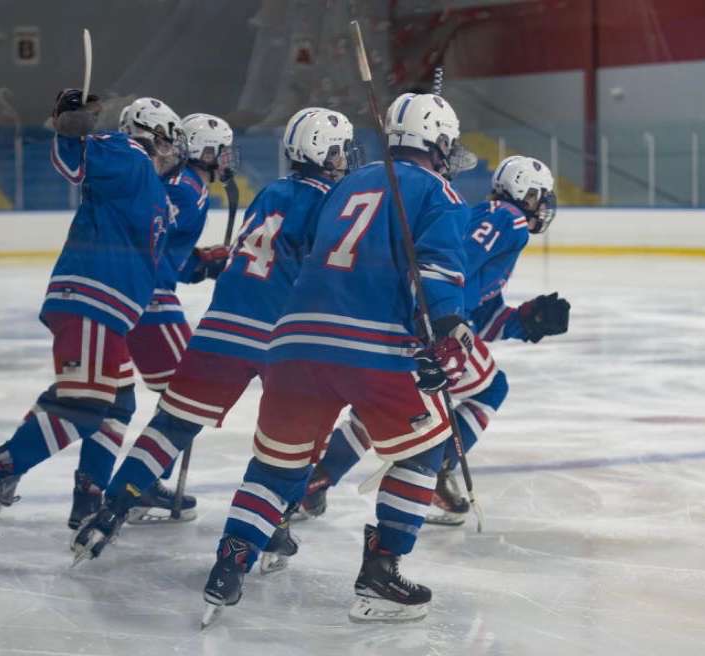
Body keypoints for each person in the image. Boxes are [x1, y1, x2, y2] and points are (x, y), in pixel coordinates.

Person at [201, 93, 474, 625]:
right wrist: (447, 331)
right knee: (425, 449)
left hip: (294, 343)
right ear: (438, 142)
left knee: (275, 467)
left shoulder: (345, 183)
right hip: (371, 345)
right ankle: (380, 575)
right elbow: (438, 275)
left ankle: (227, 568)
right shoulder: (437, 191)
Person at [71, 107, 357, 564]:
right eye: (341, 149)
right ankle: (275, 521)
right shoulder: (333, 200)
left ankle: (112, 510)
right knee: (295, 437)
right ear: (326, 152)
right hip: (280, 336)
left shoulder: (272, 191)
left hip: (220, 324)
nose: (346, 158)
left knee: (171, 425)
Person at [0, 90, 184, 547]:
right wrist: (71, 121)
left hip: (107, 307)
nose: (173, 153)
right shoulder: (128, 153)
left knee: (112, 404)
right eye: (169, 142)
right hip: (94, 297)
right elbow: (75, 157)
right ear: (152, 138)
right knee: (85, 406)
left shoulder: (149, 187)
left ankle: (81, 496)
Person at [298, 155, 570, 526]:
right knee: (490, 389)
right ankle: (440, 470)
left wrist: (526, 321)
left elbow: (485, 315)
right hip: (428, 327)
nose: (544, 205)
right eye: (540, 196)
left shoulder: (494, 220)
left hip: (407, 321)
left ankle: (316, 482)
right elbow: (455, 265)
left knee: (375, 407)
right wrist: (440, 321)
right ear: (526, 191)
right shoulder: (509, 218)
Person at [66, 107, 237, 530]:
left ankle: (89, 495)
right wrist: (196, 264)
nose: (227, 159)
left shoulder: (186, 185)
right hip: (152, 303)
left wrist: (198, 263)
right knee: (189, 396)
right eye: (222, 150)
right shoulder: (186, 189)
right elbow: (152, 244)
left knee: (117, 400)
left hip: (141, 298)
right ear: (204, 149)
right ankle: (139, 482)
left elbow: (165, 250)